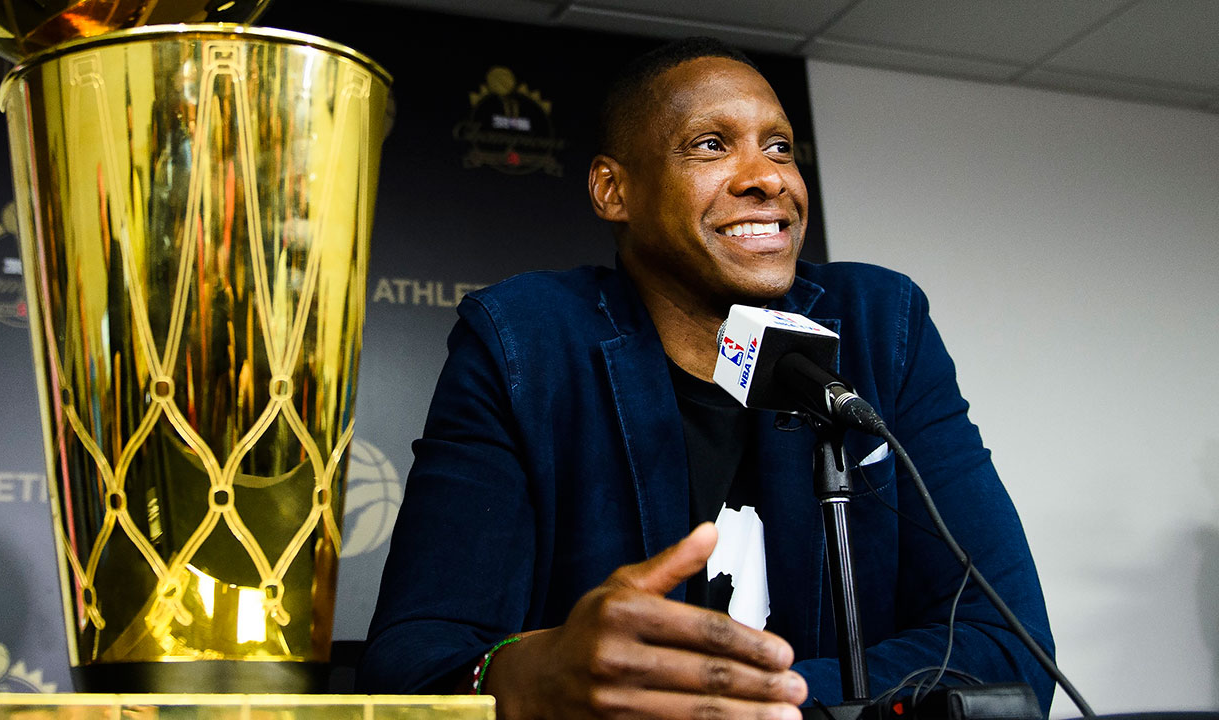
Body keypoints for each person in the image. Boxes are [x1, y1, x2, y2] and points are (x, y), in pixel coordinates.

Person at [358, 38, 1055, 720]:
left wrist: (754, 702)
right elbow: (416, 662)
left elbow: (1006, 645)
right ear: (613, 189)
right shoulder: (523, 342)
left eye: (779, 146)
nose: (768, 177)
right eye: (712, 145)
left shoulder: (880, 326)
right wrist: (523, 671)